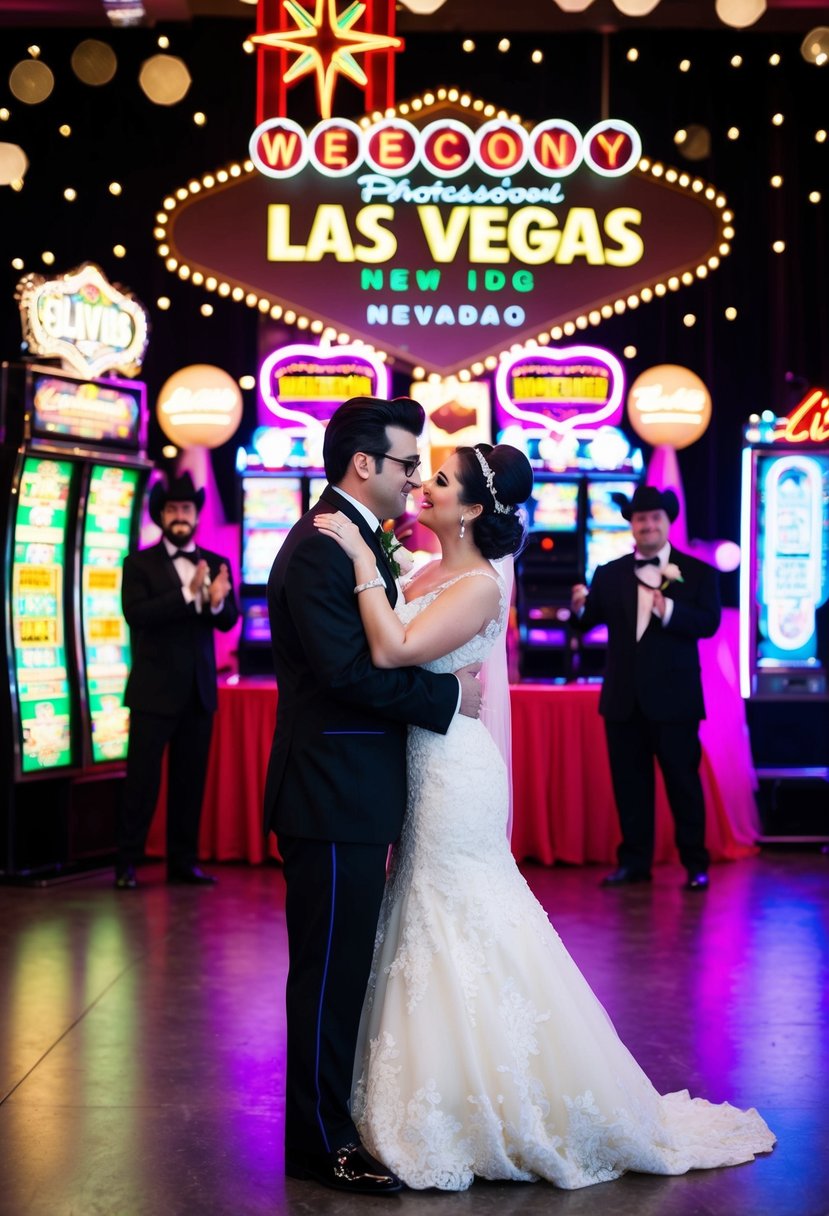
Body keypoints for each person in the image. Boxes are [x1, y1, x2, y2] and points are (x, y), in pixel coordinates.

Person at [315, 443, 775, 1191]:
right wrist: (381, 563)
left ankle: (490, 1100)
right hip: (422, 763)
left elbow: (392, 645)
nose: (420, 486)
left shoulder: (478, 585)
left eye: (437, 478)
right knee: (421, 913)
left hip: (455, 773)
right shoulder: (427, 569)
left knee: (461, 912)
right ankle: (437, 1083)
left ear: (468, 508)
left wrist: (363, 566)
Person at [263, 396, 483, 1196]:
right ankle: (321, 1146)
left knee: (347, 967)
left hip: (355, 789)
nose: (414, 476)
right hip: (329, 792)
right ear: (365, 465)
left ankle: (331, 1128)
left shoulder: (353, 540)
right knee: (326, 973)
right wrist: (445, 699)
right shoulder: (323, 549)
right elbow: (349, 676)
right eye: (405, 462)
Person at [571, 484, 721, 892]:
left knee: (683, 784)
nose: (648, 525)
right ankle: (634, 863)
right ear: (632, 526)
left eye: (655, 518)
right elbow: (586, 625)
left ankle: (695, 864)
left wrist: (668, 609)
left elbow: (709, 623)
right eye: (641, 519)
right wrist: (579, 607)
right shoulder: (610, 572)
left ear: (667, 523)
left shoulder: (698, 573)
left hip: (675, 702)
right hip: (622, 700)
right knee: (630, 787)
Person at [115, 472, 238, 890]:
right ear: (162, 515)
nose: (180, 515)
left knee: (190, 785)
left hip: (198, 692)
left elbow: (227, 621)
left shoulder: (216, 563)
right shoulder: (138, 564)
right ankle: (126, 864)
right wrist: (187, 594)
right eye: (172, 509)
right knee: (141, 783)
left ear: (196, 514)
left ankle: (182, 864)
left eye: (187, 509)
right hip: (152, 693)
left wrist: (217, 602)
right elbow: (137, 615)